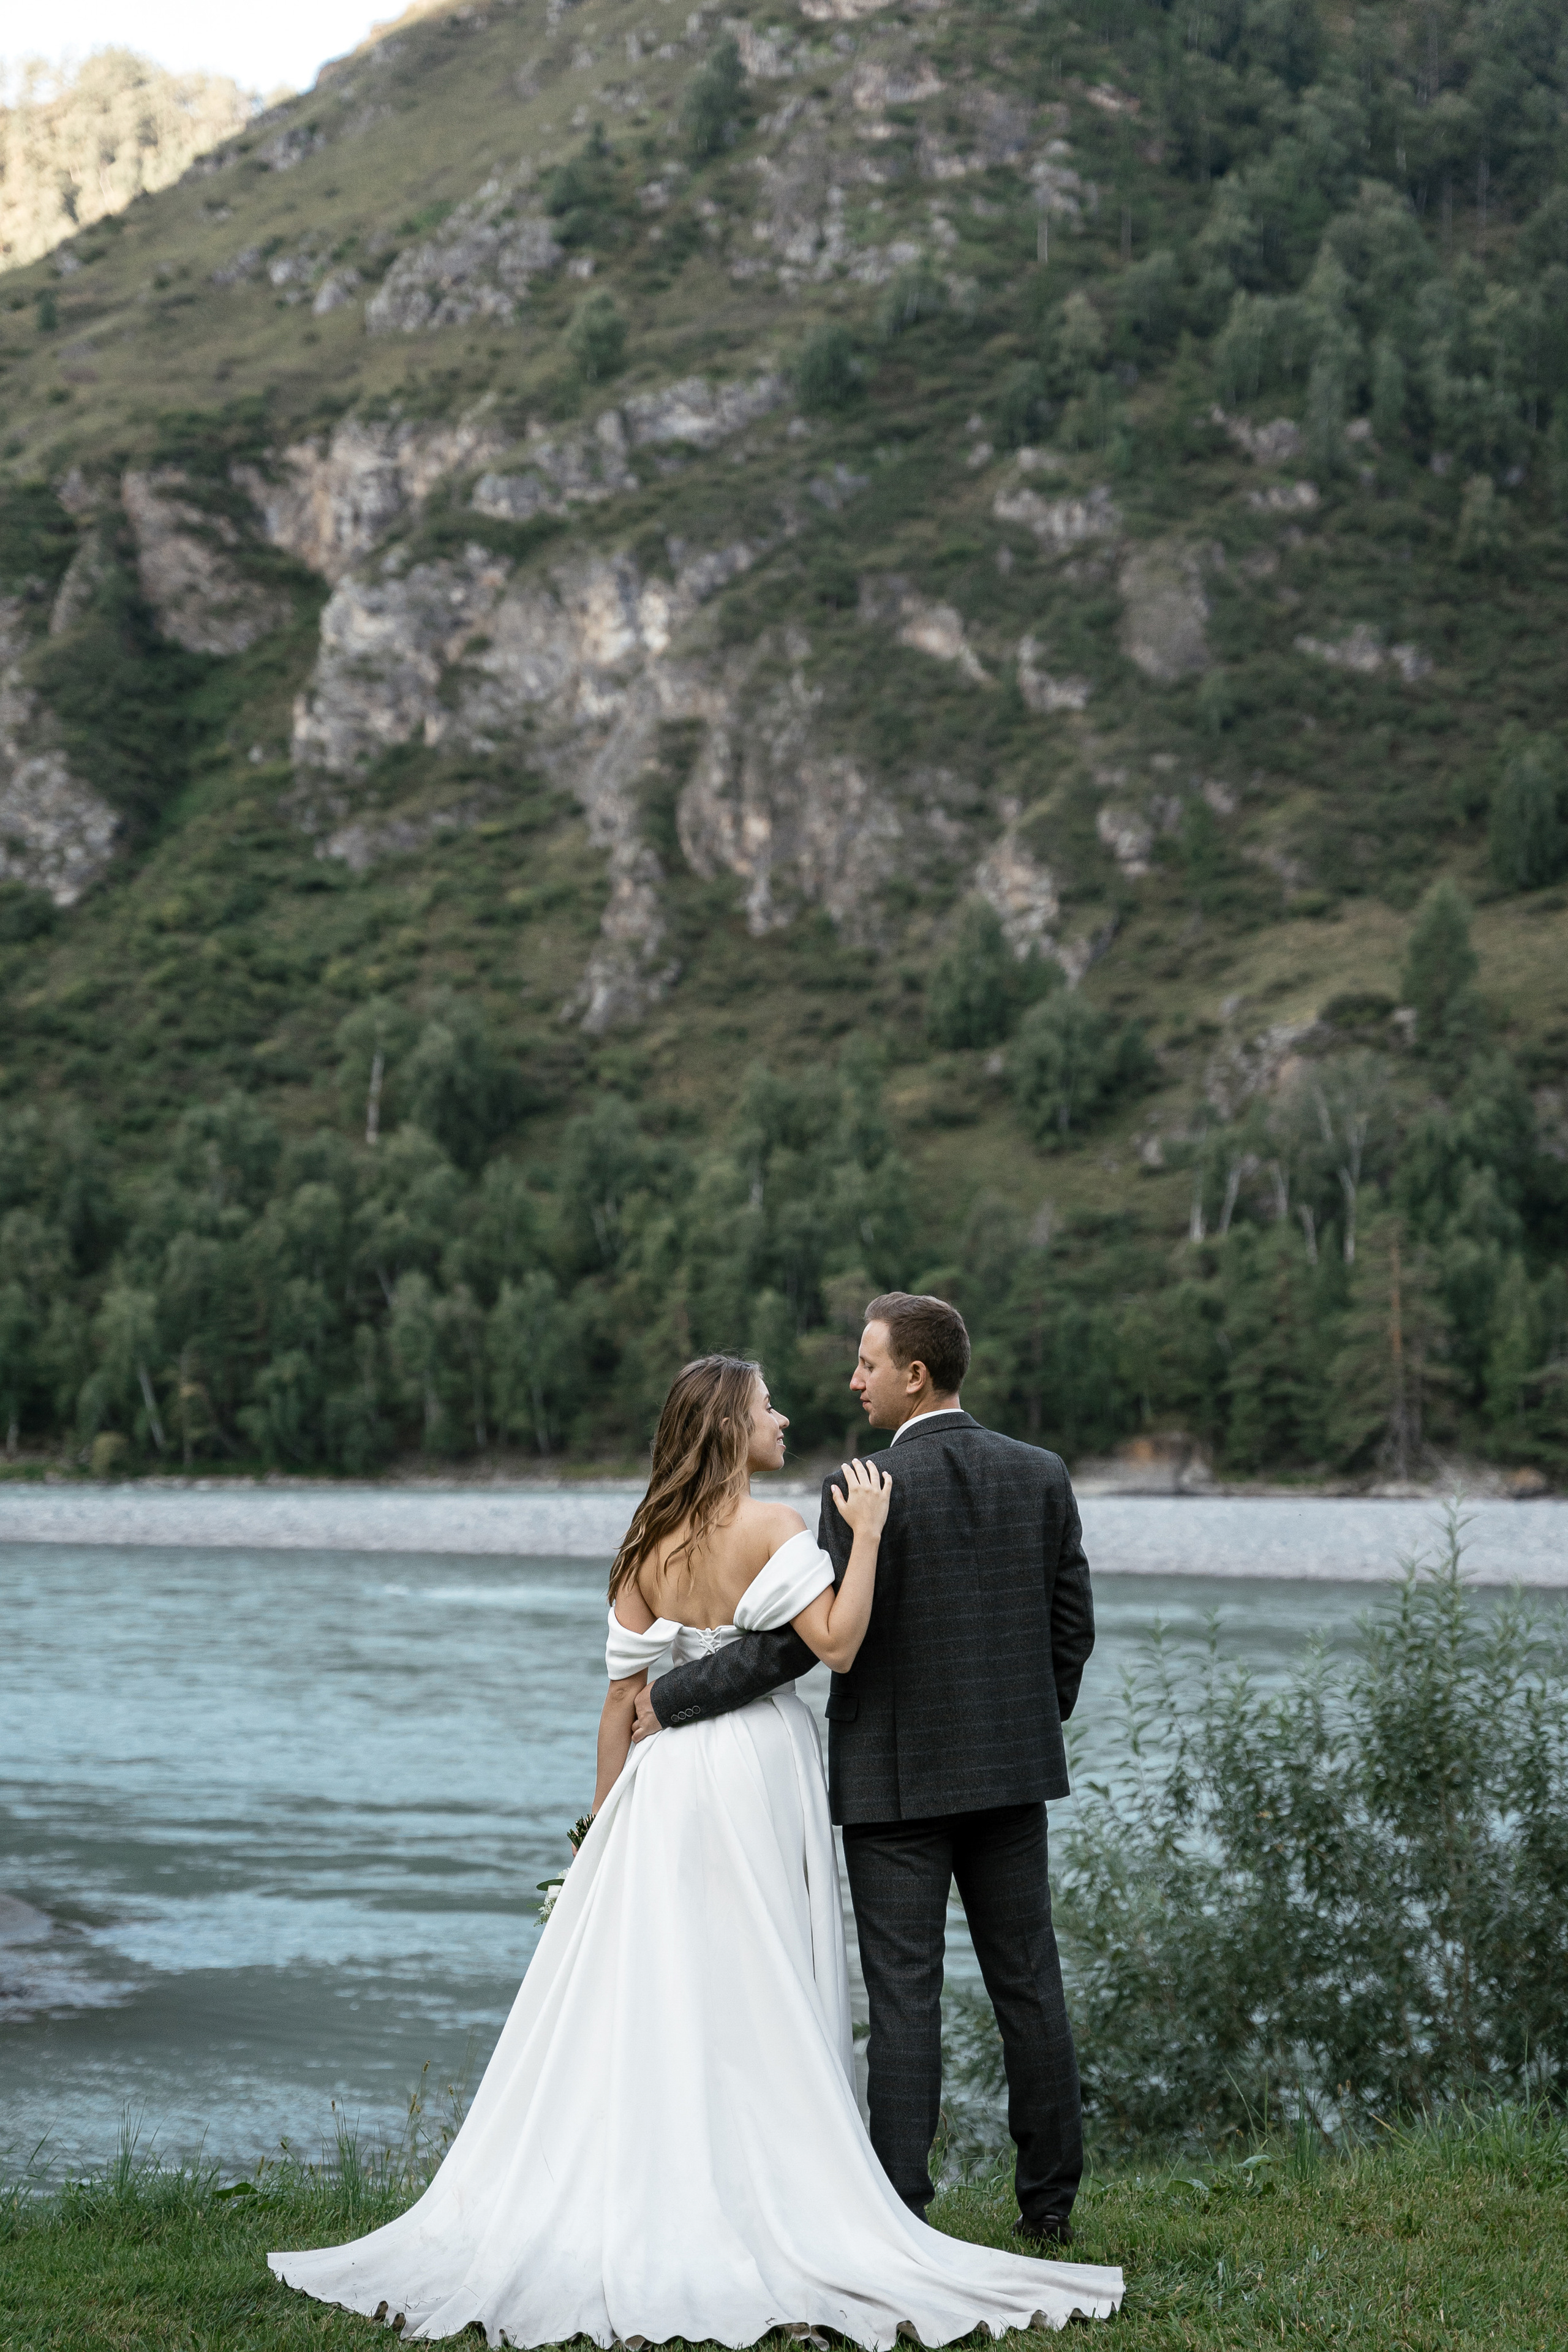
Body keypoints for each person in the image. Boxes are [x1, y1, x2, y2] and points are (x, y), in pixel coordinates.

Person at [268, 1351, 1121, 2346]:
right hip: (758, 1768)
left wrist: (598, 1825)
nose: (792, 1414)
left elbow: (623, 1700)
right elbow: (837, 1645)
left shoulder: (645, 1543)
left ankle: (682, 2183)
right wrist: (875, 1543)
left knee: (672, 1981)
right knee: (767, 1977)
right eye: (768, 1407)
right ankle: (927, 2200)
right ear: (731, 1429)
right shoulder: (778, 1525)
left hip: (663, 1784)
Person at [636, 1294, 1096, 2247]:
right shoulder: (1042, 1474)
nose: (854, 1380)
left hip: (894, 1790)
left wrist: (671, 1699)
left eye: (867, 1363)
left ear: (913, 1375)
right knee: (1031, 1985)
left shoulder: (861, 1485)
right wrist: (1018, 1728)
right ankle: (1049, 2210)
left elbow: (796, 1649)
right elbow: (1071, 1632)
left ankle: (902, 2214)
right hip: (1013, 1780)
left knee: (904, 1999)